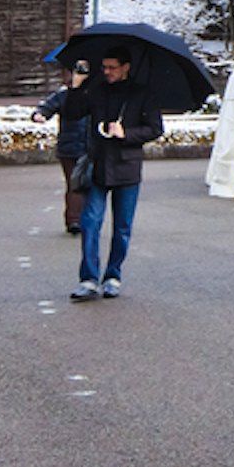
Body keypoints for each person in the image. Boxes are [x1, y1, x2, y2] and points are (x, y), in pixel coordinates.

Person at [70, 46, 164, 302]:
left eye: (112, 67)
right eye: (104, 67)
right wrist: (77, 87)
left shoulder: (143, 94)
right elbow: (73, 113)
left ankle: (113, 276)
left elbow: (156, 128)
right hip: (98, 166)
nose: (107, 72)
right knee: (90, 223)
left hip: (127, 168)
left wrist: (127, 134)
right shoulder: (97, 90)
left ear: (126, 67)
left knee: (122, 228)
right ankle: (88, 279)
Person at [33, 61, 90, 236]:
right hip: (70, 146)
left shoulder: (95, 94)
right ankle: (74, 219)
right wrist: (40, 115)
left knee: (88, 183)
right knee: (74, 183)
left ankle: (84, 218)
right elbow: (47, 106)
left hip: (90, 146)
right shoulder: (64, 95)